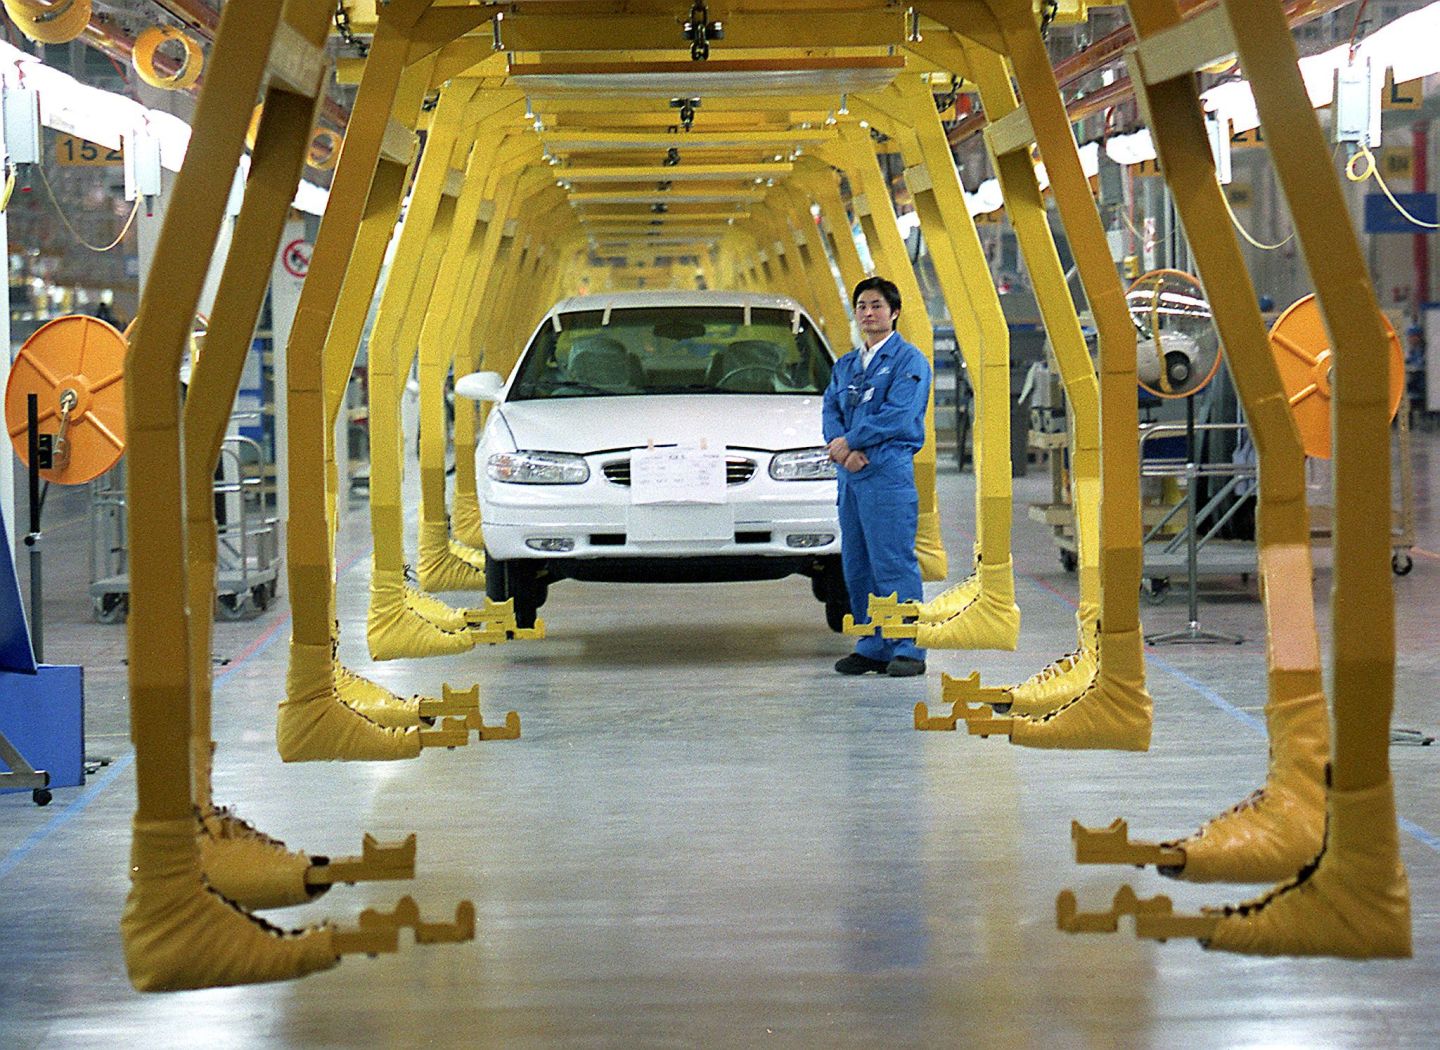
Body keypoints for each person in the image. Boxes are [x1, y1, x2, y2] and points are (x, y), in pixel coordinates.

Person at [822, 277, 932, 677]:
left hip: (886, 472)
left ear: (894, 312)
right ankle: (873, 643)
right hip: (850, 477)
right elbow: (830, 409)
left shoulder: (910, 362)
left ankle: (907, 646)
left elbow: (899, 415)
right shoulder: (847, 365)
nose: (869, 313)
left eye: (877, 306)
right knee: (858, 562)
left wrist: (850, 440)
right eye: (862, 307)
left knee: (892, 562)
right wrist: (841, 448)